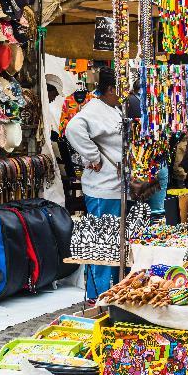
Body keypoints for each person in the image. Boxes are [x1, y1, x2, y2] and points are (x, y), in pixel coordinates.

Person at [65, 66, 122, 300]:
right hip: (102, 188)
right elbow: (72, 129)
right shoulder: (94, 109)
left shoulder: (113, 108)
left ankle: (110, 293)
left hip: (115, 187)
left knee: (113, 243)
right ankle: (95, 296)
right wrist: (93, 156)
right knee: (101, 243)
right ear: (110, 89)